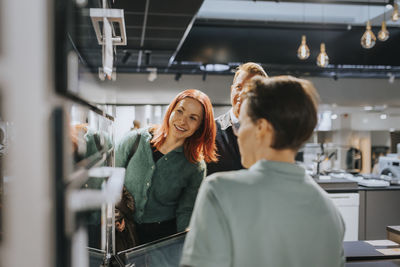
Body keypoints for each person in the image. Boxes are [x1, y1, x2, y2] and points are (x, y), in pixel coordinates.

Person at [181, 76, 345, 267]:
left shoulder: (220, 192)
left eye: (241, 124)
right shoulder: (330, 212)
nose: (237, 133)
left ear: (261, 127)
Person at [115, 89, 217, 245]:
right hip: (123, 231)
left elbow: (186, 211)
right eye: (179, 111)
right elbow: (108, 179)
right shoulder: (134, 140)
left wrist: (188, 240)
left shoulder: (195, 166)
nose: (182, 121)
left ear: (200, 126)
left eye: (192, 118)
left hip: (160, 240)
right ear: (171, 110)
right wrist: (114, 215)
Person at [207, 62, 268, 176]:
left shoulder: (270, 133)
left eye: (251, 89)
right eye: (238, 87)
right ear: (232, 90)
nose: (241, 94)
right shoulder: (209, 130)